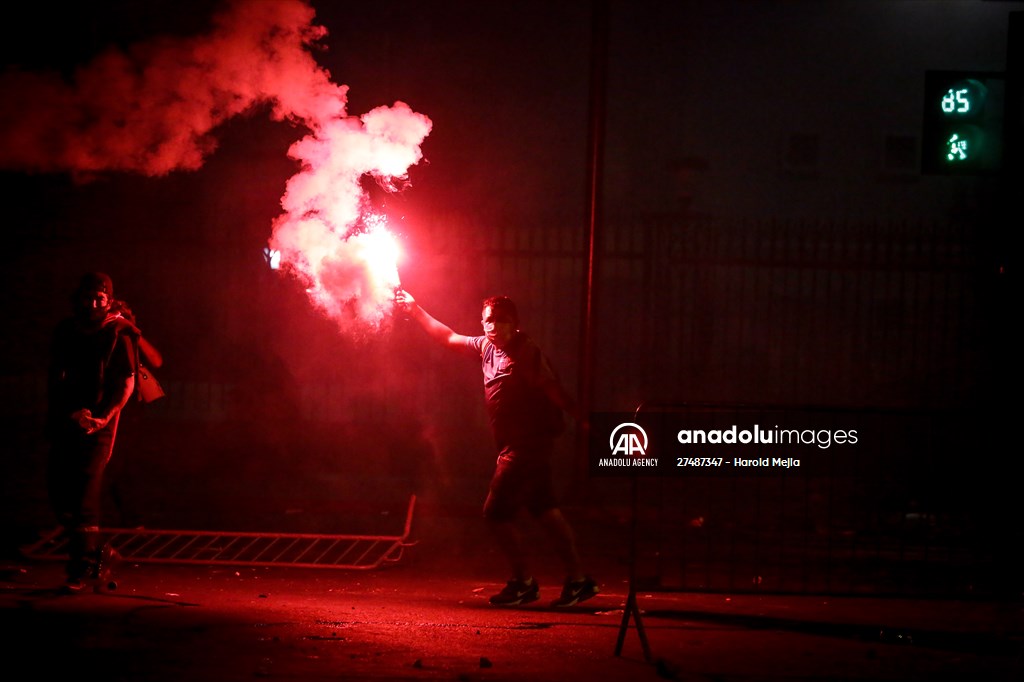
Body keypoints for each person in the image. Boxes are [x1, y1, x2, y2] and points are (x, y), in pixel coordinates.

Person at [396, 289, 598, 607]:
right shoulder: (485, 347)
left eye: (502, 322)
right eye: (489, 321)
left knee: (494, 514)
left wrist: (583, 420)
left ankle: (523, 583)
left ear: (514, 325)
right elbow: (448, 338)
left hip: (525, 447)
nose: (494, 327)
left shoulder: (525, 350)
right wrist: (415, 310)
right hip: (517, 446)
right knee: (546, 511)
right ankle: (579, 580)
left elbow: (551, 387)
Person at [45, 272, 138, 592]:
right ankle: (101, 553)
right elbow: (56, 376)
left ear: (109, 300)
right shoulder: (67, 331)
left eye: (100, 298)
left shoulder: (118, 332)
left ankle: (79, 568)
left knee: (85, 490)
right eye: (89, 297)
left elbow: (127, 382)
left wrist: (106, 416)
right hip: (68, 417)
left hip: (100, 424)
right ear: (79, 298)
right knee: (59, 488)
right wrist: (70, 411)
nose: (94, 303)